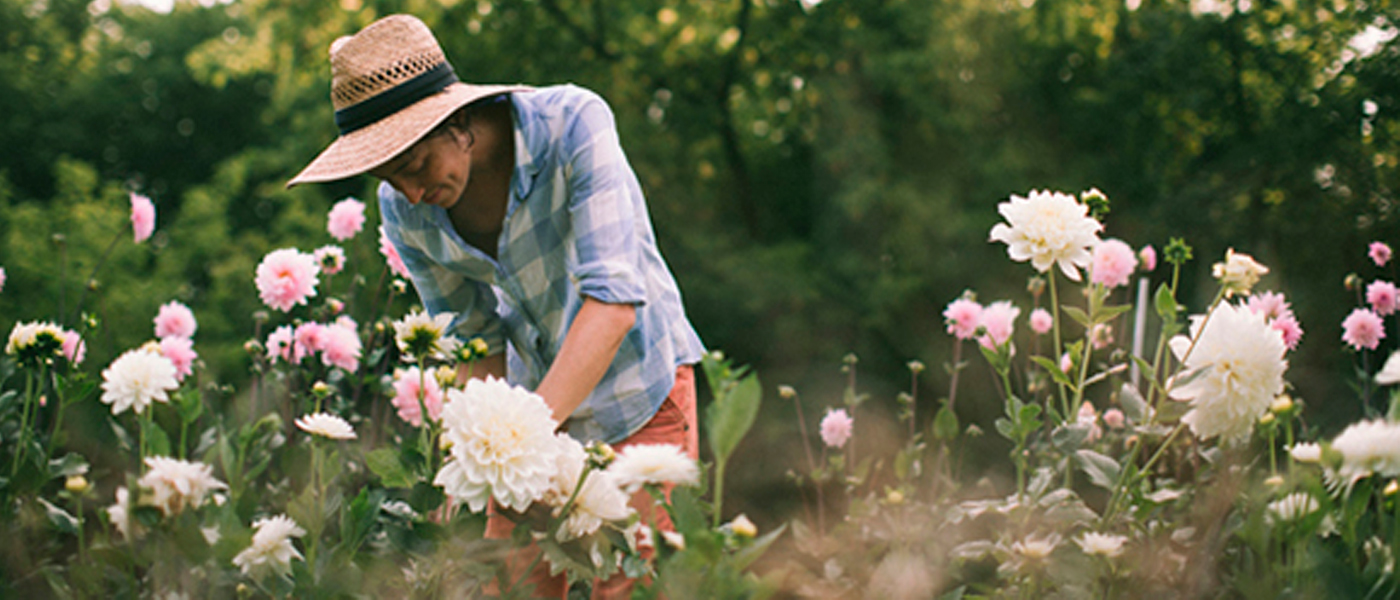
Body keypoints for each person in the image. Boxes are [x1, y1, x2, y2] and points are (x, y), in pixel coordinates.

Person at [287, 14, 706, 599]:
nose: (410, 193)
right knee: (509, 586)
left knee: (627, 584)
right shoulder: (405, 209)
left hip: (637, 393)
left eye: (415, 168)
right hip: (529, 412)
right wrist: (477, 464)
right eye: (390, 177)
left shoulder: (573, 125)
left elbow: (613, 303)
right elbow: (474, 337)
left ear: (457, 121)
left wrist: (522, 437)